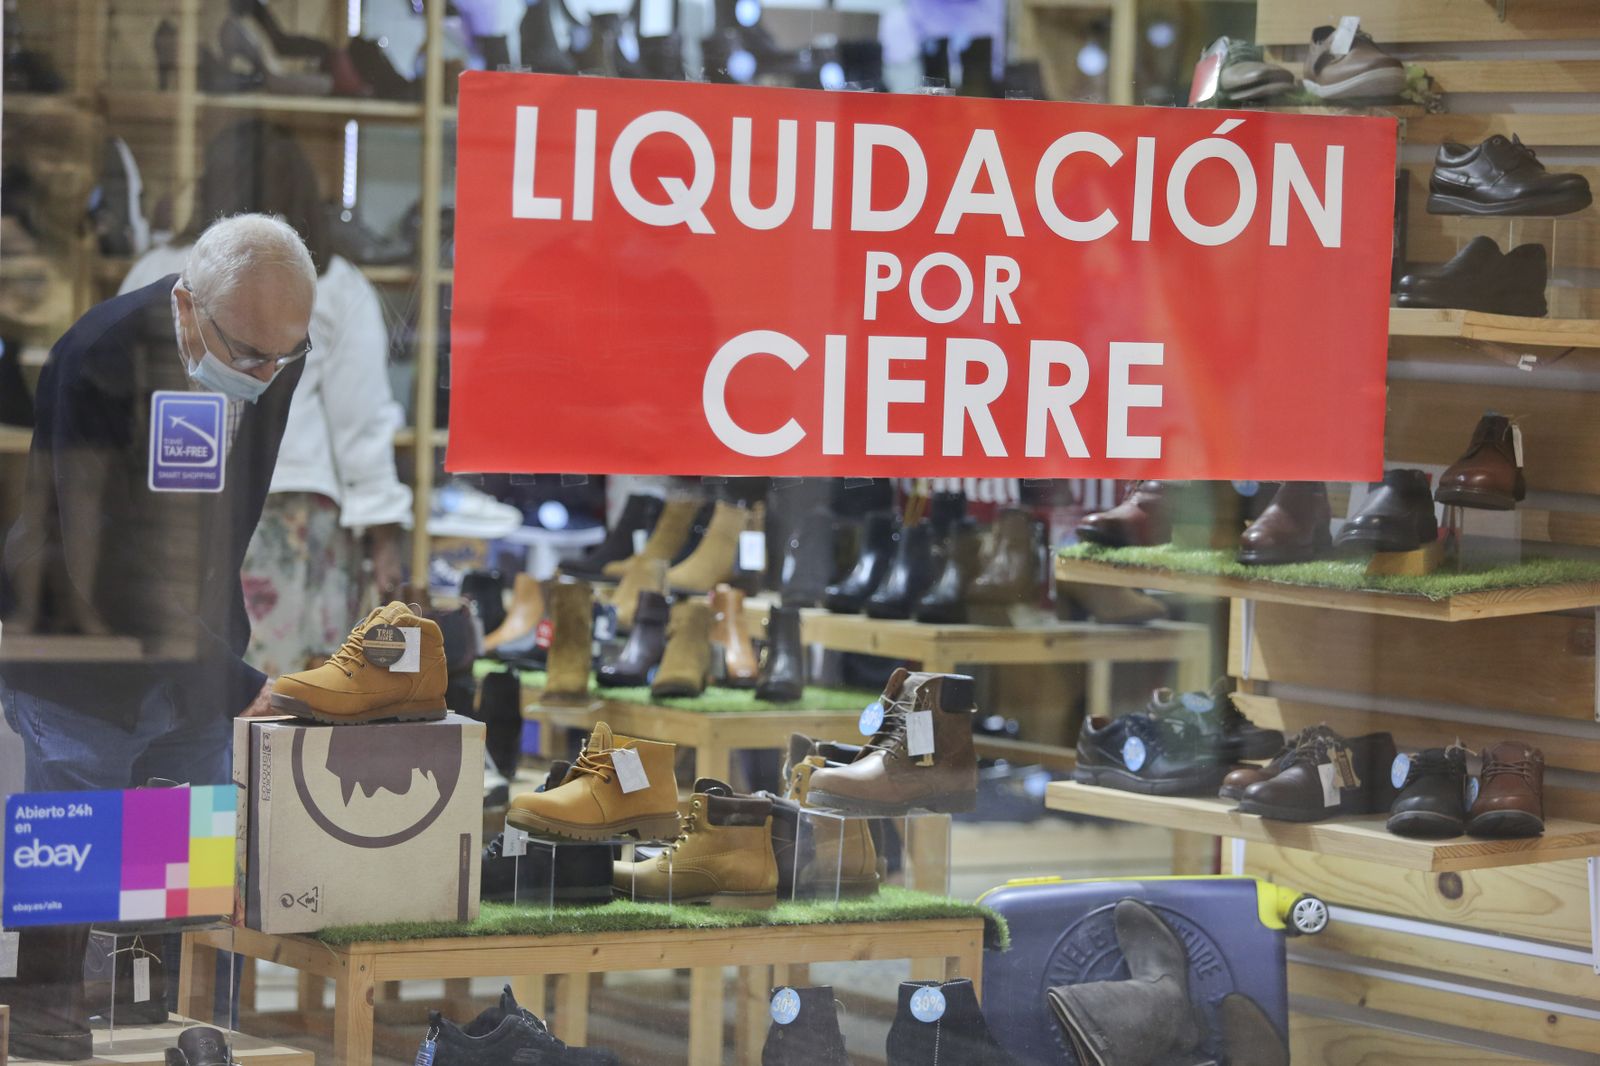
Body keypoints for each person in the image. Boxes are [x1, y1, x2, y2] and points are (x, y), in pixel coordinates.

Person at [0, 213, 314, 1061]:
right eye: (248, 354)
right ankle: (45, 1023)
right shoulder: (98, 359)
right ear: (187, 307)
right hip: (80, 645)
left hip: (191, 644)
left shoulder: (273, 347)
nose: (267, 373)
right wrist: (228, 672)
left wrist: (212, 650)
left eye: (285, 356)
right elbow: (108, 566)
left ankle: (156, 1022)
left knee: (173, 879)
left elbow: (228, 516)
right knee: (77, 861)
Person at [121, 119, 411, 677]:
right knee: (284, 709)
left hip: (173, 507)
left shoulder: (155, 273)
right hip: (291, 511)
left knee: (179, 693)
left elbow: (127, 407)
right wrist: (384, 537)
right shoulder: (334, 285)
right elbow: (361, 423)